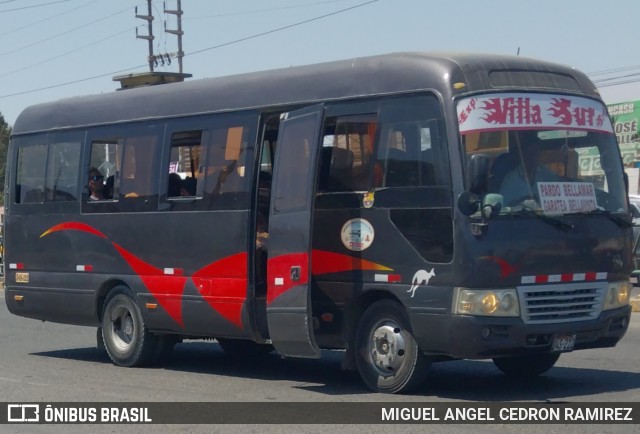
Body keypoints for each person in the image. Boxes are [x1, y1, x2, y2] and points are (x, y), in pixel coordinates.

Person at [499, 133, 558, 206]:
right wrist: (522, 202)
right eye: (530, 153)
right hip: (520, 217)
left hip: (547, 217)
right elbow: (503, 207)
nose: (533, 157)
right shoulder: (511, 179)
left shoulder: (546, 175)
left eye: (536, 153)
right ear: (523, 155)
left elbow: (558, 191)